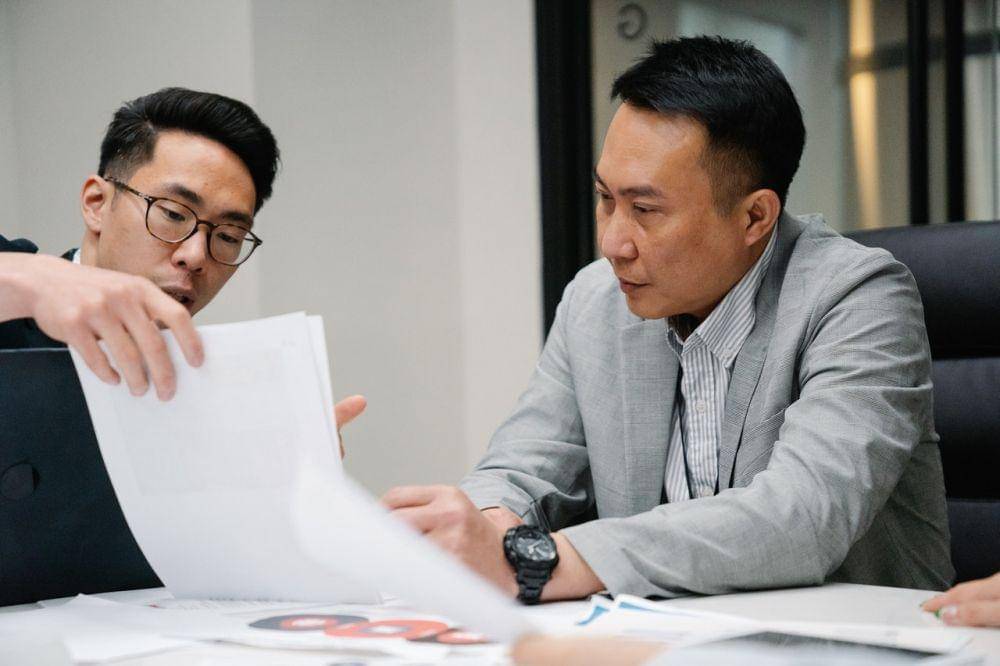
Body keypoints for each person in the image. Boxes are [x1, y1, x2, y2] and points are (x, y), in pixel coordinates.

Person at [383, 36, 953, 603]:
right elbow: (522, 467)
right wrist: (485, 527)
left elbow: (803, 517)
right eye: (606, 199)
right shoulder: (595, 301)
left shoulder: (858, 298)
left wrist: (546, 560)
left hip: (846, 636)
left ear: (755, 217)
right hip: (660, 634)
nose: (613, 243)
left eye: (645, 210)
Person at [0, 87, 366, 424]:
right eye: (174, 214)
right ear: (97, 204)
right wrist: (30, 279)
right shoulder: (14, 302)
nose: (195, 256)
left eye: (228, 236)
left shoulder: (216, 400)